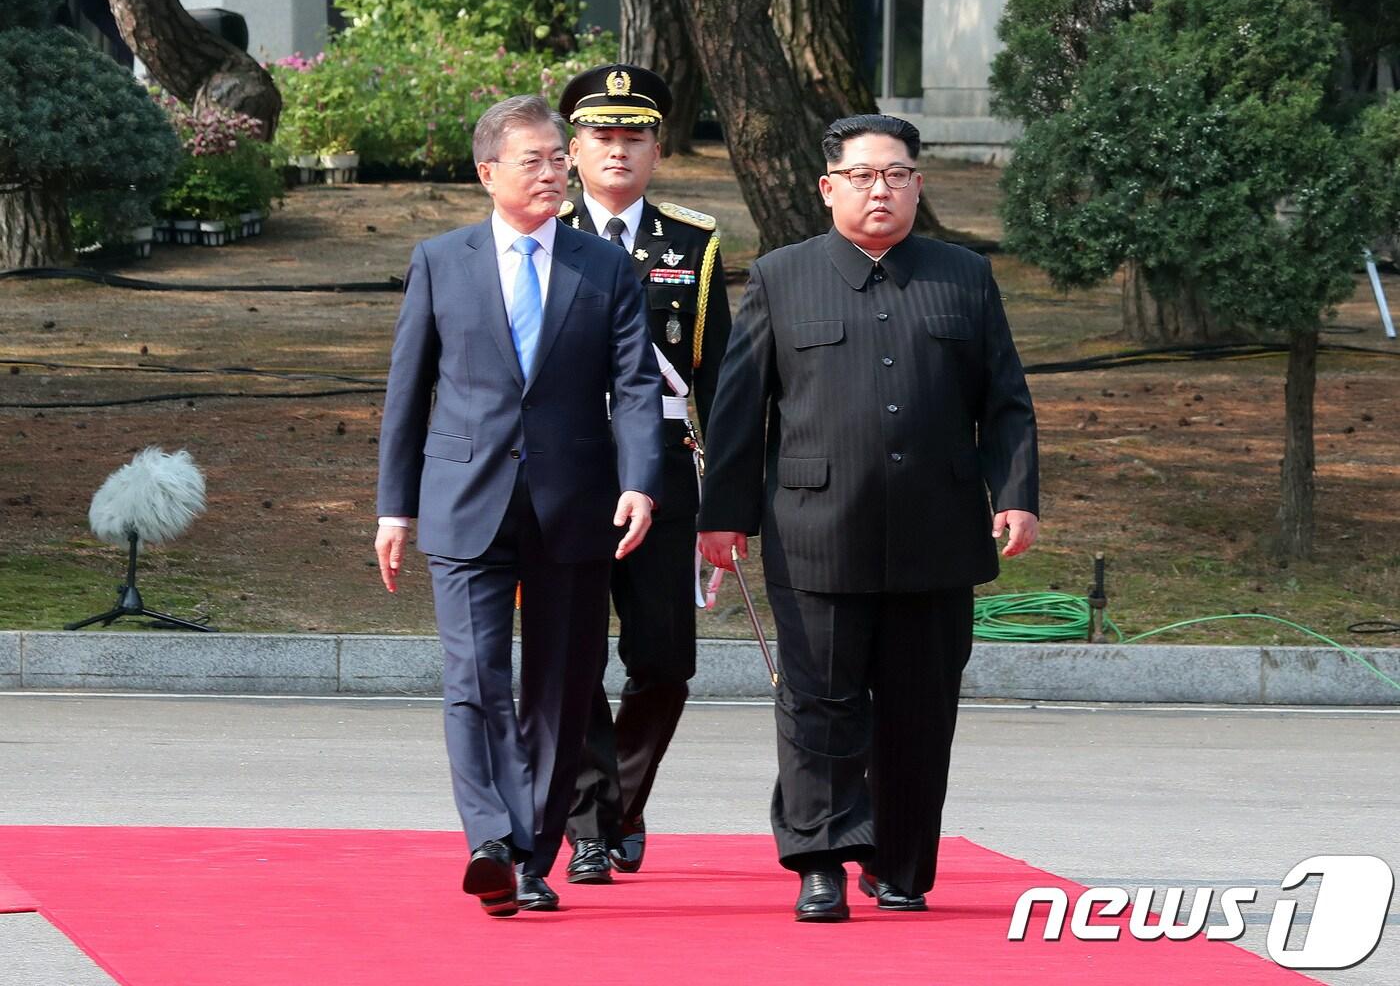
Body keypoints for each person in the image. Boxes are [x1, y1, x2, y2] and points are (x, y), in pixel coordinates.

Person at [697, 114, 1040, 922]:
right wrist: (723, 516)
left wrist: (1016, 492)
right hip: (816, 530)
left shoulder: (964, 276)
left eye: (895, 175)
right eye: (861, 176)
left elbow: (1005, 399)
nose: (879, 189)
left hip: (937, 532)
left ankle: (901, 864)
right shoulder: (782, 276)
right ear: (829, 188)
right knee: (818, 702)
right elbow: (740, 410)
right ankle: (819, 859)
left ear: (919, 184)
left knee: (921, 709)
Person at [374, 94, 663, 918]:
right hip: (465, 500)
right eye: (532, 159)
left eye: (557, 158)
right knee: (475, 676)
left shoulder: (604, 267)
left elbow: (636, 386)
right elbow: (408, 391)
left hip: (575, 505)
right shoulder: (442, 260)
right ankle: (491, 841)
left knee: (561, 689)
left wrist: (640, 479)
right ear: (487, 172)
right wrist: (395, 507)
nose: (551, 172)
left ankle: (531, 853)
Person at [553, 63, 733, 883]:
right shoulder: (542, 233)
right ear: (573, 149)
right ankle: (589, 822)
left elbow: (720, 380)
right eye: (601, 134)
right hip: (566, 465)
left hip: (661, 467)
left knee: (665, 660)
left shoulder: (693, 243)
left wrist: (728, 501)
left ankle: (621, 797)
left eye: (634, 135)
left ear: (658, 150)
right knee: (573, 654)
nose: (617, 149)